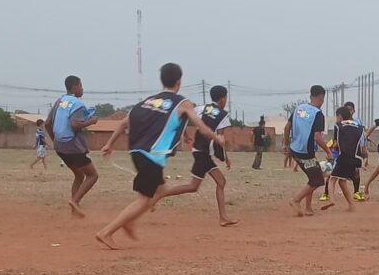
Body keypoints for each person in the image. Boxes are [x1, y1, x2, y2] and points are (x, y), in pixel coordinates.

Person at [95, 63, 226, 249]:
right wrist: (217, 137)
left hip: (137, 152)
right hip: (152, 156)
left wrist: (109, 144)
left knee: (161, 191)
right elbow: (201, 126)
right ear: (179, 81)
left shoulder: (147, 101)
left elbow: (124, 122)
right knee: (143, 199)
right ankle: (106, 232)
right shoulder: (182, 103)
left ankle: (130, 222)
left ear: (162, 80)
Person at [151, 85, 238, 226]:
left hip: (199, 151)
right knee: (193, 186)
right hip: (203, 153)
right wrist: (226, 158)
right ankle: (161, 194)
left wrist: (184, 134)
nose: (226, 100)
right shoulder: (223, 115)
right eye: (226, 98)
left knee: (220, 182)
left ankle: (223, 217)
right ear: (223, 99)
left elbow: (183, 117)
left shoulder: (201, 108)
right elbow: (220, 139)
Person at [45, 75, 99, 217]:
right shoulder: (77, 104)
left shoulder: (59, 101)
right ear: (75, 86)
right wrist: (91, 121)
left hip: (60, 146)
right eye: (81, 85)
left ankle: (75, 211)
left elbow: (47, 123)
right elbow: (74, 124)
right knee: (93, 175)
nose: (82, 89)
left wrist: (54, 140)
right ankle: (75, 201)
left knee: (79, 175)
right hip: (72, 146)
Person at [283, 85, 332, 217]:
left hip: (294, 149)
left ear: (311, 96)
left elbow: (287, 127)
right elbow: (317, 137)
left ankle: (308, 208)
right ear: (322, 98)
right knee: (317, 180)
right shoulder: (318, 114)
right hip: (306, 153)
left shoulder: (299, 109)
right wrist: (328, 151)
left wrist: (286, 144)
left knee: (312, 177)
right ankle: (295, 200)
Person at [321, 106, 364, 212]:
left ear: (339, 116)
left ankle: (331, 199)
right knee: (342, 181)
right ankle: (351, 206)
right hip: (355, 158)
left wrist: (329, 152)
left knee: (332, 179)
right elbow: (361, 143)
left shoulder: (338, 126)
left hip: (343, 157)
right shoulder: (359, 126)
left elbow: (336, 143)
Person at [343, 101, 367, 201]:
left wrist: (364, 146)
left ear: (354, 111)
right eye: (346, 109)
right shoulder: (341, 122)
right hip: (344, 150)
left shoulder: (357, 121)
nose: (348, 111)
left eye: (350, 109)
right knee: (337, 173)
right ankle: (327, 192)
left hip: (356, 149)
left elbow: (362, 135)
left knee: (356, 171)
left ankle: (356, 192)